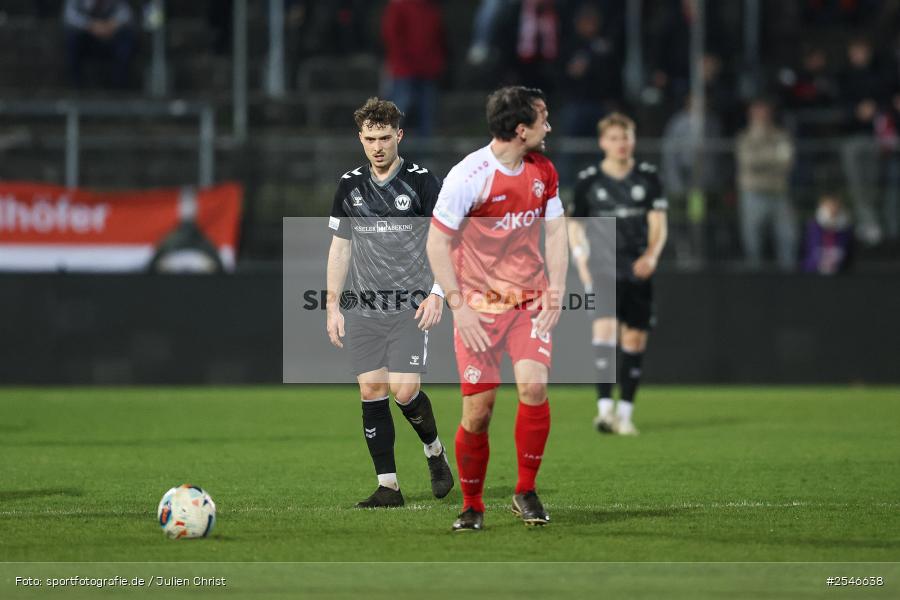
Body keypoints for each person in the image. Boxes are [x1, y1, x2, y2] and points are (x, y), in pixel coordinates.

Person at [426, 86, 567, 531]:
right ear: (521, 129)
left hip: (528, 301)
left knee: (533, 387)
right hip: (479, 311)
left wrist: (558, 288)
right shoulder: (468, 176)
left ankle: (525, 490)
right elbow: (436, 243)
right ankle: (472, 504)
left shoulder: (543, 170)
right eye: (543, 118)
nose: (550, 126)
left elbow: (558, 229)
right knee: (479, 412)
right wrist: (459, 307)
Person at [326, 98, 453, 508]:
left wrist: (438, 294)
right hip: (363, 307)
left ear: (399, 135)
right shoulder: (349, 185)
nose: (377, 146)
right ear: (359, 138)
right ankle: (388, 487)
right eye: (369, 138)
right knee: (371, 390)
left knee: (403, 391)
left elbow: (446, 243)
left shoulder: (421, 182)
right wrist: (332, 305)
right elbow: (339, 248)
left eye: (384, 137)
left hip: (410, 306)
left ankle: (434, 450)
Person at [568, 113, 668, 436]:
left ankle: (625, 413)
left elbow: (658, 224)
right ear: (602, 143)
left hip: (637, 268)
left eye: (625, 137)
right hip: (602, 266)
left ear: (633, 140)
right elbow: (574, 226)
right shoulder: (588, 180)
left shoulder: (648, 178)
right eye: (613, 138)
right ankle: (604, 411)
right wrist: (581, 261)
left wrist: (651, 256)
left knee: (634, 339)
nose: (621, 144)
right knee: (606, 330)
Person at [735, 98, 797, 271]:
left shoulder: (781, 135)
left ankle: (790, 280)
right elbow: (749, 162)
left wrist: (762, 160)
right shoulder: (745, 137)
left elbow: (787, 162)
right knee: (752, 242)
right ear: (751, 113)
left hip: (779, 192)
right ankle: (754, 283)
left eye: (764, 110)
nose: (761, 114)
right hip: (753, 193)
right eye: (757, 110)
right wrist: (773, 159)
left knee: (788, 238)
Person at [381, 0, 447, 138]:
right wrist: (404, 59)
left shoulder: (431, 8)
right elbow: (392, 35)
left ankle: (426, 154)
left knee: (427, 115)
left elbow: (438, 37)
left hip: (427, 70)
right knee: (398, 111)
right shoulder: (399, 5)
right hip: (404, 70)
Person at [63, 0, 136, 89]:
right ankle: (77, 86)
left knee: (126, 38)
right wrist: (91, 25)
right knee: (72, 38)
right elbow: (70, 15)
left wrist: (111, 25)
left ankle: (119, 86)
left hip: (110, 37)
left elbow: (126, 14)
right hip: (86, 37)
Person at [801, 193, 854, 274]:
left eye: (835, 205)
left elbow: (846, 252)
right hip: (813, 271)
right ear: (822, 207)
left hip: (839, 271)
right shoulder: (813, 226)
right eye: (829, 205)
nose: (832, 209)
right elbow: (810, 249)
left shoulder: (846, 228)